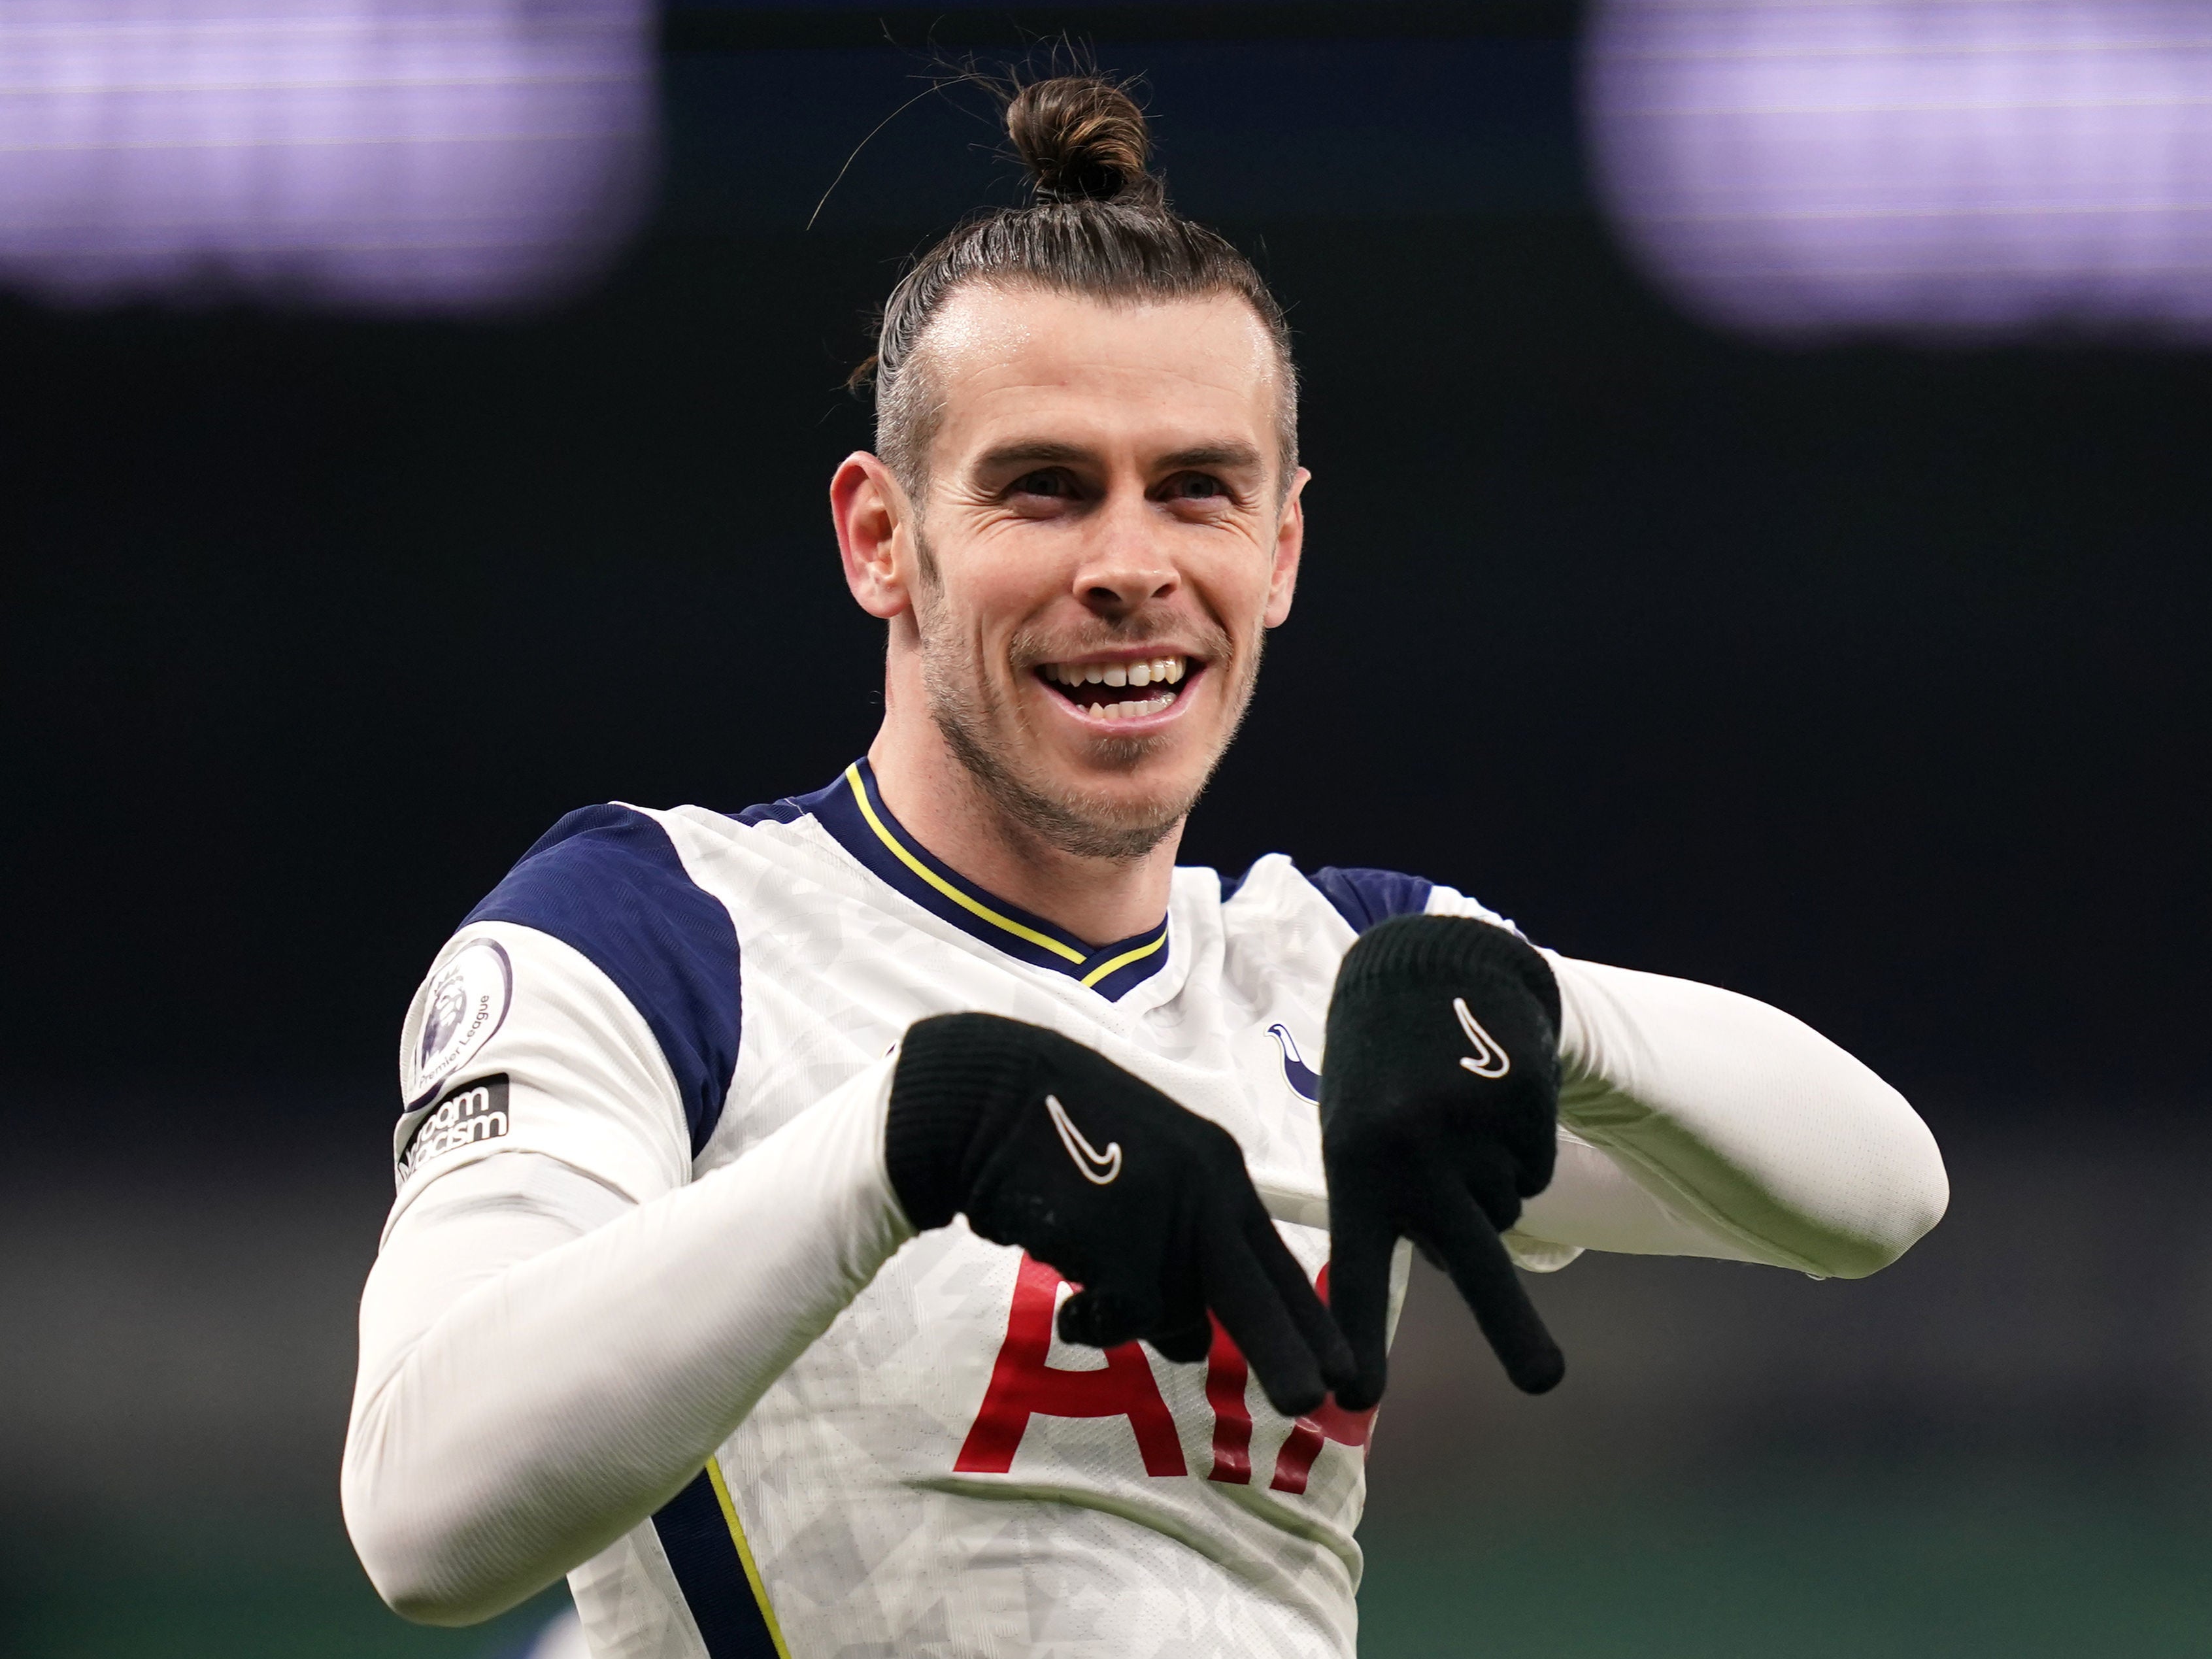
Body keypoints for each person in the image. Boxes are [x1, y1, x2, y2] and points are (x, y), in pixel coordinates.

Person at [341, 75, 1949, 1658]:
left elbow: (1878, 1195)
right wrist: (906, 1142)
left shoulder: (1333, 977)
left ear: (1283, 552)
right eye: (1045, 489)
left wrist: (1544, 1014)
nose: (1130, 567)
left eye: (1198, 490)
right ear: (880, 538)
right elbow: (425, 1519)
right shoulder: (662, 935)